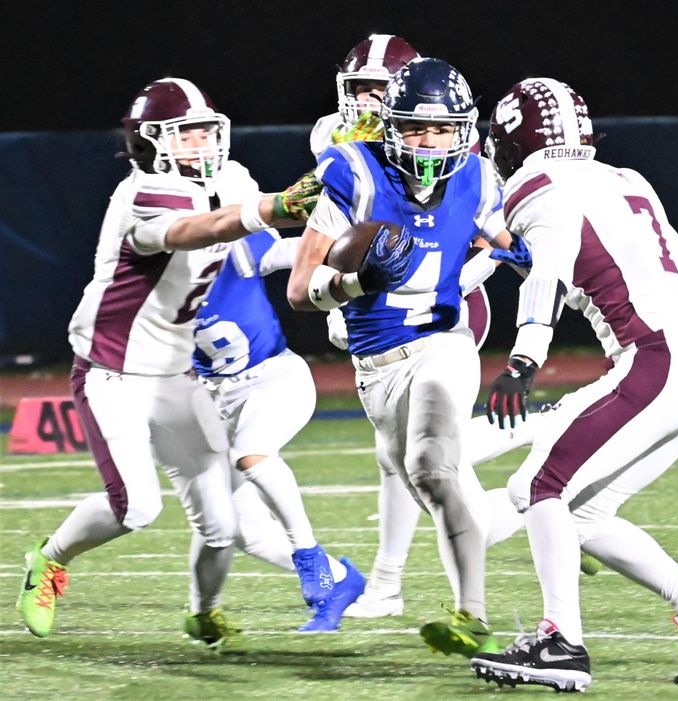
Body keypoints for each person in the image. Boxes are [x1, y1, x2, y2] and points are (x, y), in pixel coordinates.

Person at [469, 77, 678, 692]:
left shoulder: (532, 185)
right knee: (584, 512)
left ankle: (560, 644)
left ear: (515, 139)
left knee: (538, 485)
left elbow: (545, 271)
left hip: (652, 359)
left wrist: (524, 359)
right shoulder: (628, 180)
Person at [16, 77, 305, 647]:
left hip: (175, 373)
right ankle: (48, 561)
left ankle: (202, 615)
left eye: (205, 131)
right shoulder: (144, 190)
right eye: (185, 134)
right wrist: (280, 205)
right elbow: (202, 228)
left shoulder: (228, 179)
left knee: (222, 527)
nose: (199, 145)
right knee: (136, 508)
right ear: (151, 141)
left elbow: (253, 237)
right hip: (113, 371)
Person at [286, 56, 527, 657]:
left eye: (442, 129)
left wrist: (545, 263)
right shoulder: (353, 171)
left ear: (462, 131)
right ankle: (542, 506)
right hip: (375, 365)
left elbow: (514, 246)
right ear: (391, 127)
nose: (429, 141)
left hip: (444, 343)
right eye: (417, 129)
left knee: (430, 465)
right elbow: (300, 290)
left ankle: (471, 615)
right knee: (438, 490)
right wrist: (356, 284)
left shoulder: (478, 178)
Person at [192, 228, 365, 632]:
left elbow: (303, 252)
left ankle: (310, 555)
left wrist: (344, 288)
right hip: (216, 399)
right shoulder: (151, 282)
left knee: (252, 453)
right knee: (238, 528)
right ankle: (341, 580)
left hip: (274, 378)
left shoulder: (231, 249)